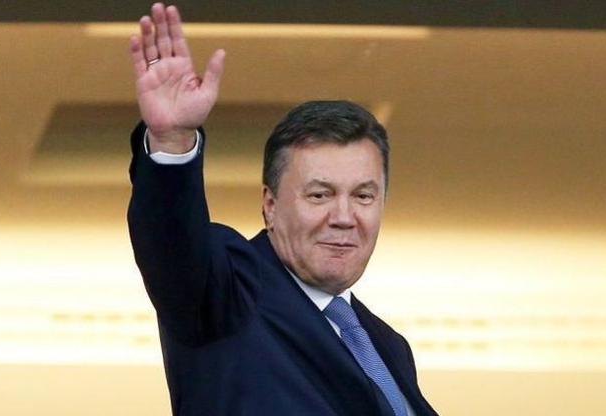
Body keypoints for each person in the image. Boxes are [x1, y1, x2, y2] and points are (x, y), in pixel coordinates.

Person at [127, 3, 437, 415]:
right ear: (270, 206)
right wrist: (172, 143)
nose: (344, 217)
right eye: (320, 195)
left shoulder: (387, 346)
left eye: (363, 196)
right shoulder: (228, 294)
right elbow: (173, 246)